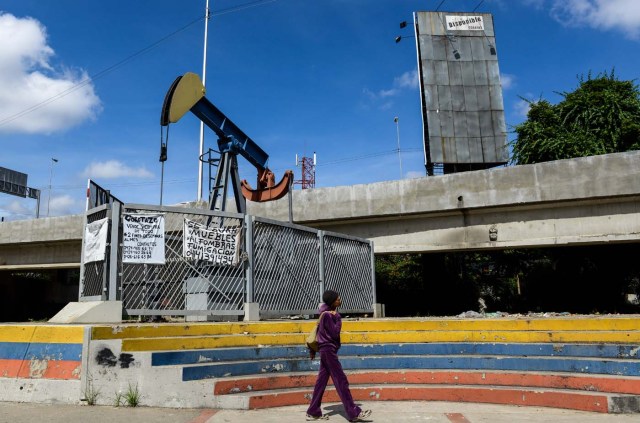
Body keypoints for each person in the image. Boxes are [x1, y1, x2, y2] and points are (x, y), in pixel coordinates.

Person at [306, 290, 372, 422]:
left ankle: (313, 411)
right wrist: (338, 318)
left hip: (326, 350)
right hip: (328, 350)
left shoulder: (324, 314)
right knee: (341, 380)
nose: (340, 300)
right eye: (337, 299)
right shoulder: (330, 316)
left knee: (322, 381)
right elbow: (335, 333)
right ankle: (353, 412)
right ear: (332, 301)